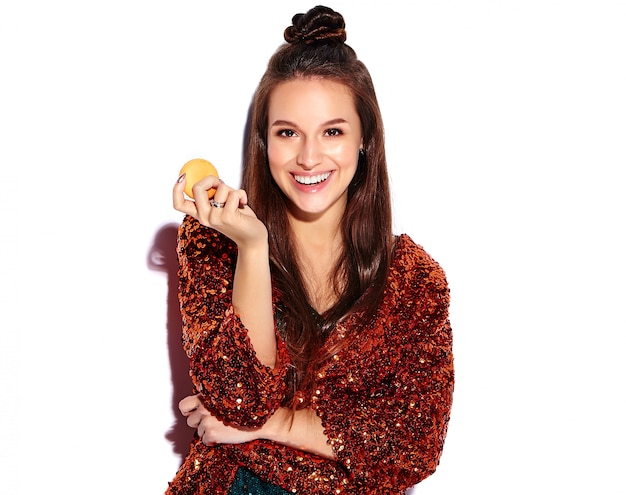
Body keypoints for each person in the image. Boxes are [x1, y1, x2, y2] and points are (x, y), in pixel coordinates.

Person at [167, 5, 454, 494]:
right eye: (287, 133)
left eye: (333, 131)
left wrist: (267, 426)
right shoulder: (214, 242)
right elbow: (240, 400)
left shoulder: (414, 278)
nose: (308, 157)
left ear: (365, 140)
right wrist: (252, 246)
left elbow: (412, 445)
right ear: (264, 142)